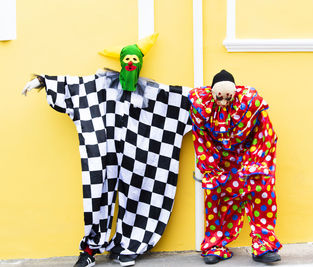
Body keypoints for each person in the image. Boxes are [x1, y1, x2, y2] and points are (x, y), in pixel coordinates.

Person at [22, 34, 192, 267]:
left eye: (135, 58)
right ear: (121, 62)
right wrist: (43, 82)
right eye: (127, 59)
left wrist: (221, 93)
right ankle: (91, 248)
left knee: (140, 190)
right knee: (97, 191)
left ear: (140, 63)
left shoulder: (153, 92)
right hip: (103, 148)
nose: (131, 63)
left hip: (138, 150)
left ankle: (129, 245)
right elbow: (75, 86)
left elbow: (183, 99)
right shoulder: (100, 85)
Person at [189, 70, 281, 264]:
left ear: (235, 93)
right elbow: (202, 139)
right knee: (217, 198)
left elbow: (265, 133)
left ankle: (264, 246)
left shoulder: (250, 104)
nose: (223, 102)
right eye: (219, 97)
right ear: (213, 94)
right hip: (221, 160)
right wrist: (211, 167)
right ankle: (216, 245)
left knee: (261, 193)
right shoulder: (201, 107)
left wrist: (255, 161)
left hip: (251, 155)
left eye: (227, 97)